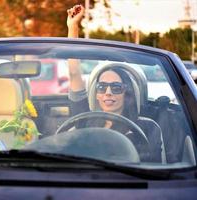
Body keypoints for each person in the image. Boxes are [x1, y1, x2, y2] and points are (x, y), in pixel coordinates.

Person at [66, 5, 162, 162]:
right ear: (96, 94)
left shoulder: (147, 128)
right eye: (102, 87)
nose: (108, 92)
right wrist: (73, 27)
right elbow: (74, 72)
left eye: (116, 87)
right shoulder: (85, 121)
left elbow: (153, 170)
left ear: (127, 92)